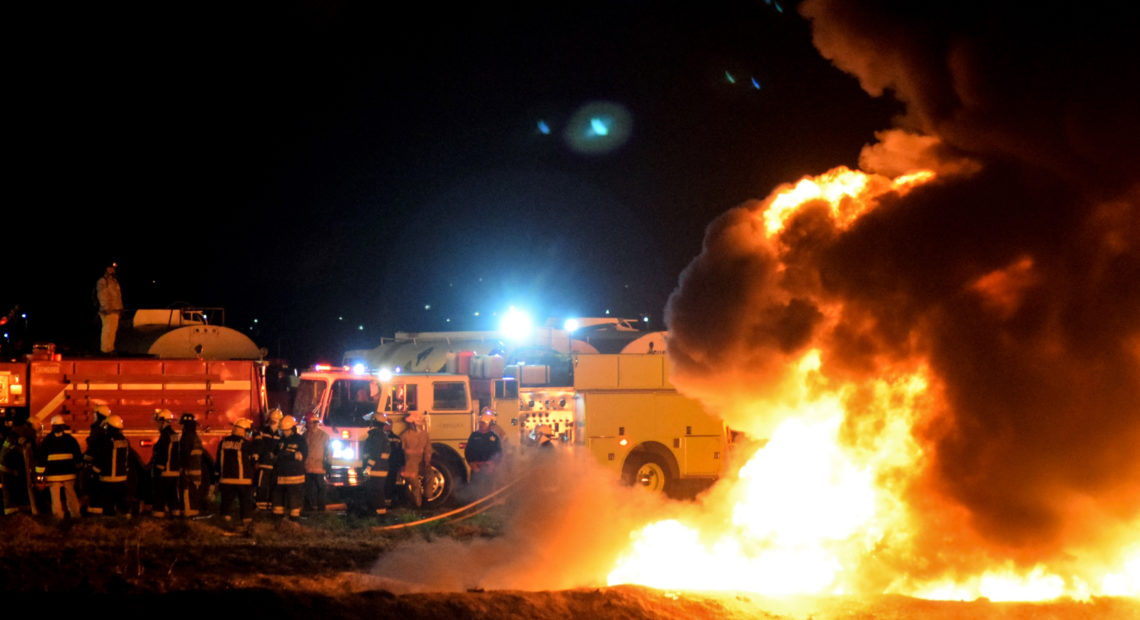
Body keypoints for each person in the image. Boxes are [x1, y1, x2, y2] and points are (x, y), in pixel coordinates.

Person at [35, 416, 83, 520]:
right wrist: (79, 470)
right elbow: (78, 457)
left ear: (52, 426)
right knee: (71, 495)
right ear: (63, 426)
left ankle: (58, 517)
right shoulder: (71, 440)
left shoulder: (47, 441)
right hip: (69, 474)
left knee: (55, 498)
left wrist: (39, 475)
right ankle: (75, 515)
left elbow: (42, 459)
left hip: (53, 475)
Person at [91, 414, 139, 517]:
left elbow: (103, 458)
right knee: (122, 502)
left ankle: (110, 521)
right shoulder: (125, 440)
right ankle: (127, 518)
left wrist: (94, 471)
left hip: (108, 478)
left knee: (108, 503)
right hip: (122, 478)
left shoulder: (106, 440)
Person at [215, 418, 255, 527]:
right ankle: (246, 525)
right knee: (245, 503)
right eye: (247, 431)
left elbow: (218, 459)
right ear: (242, 430)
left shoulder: (223, 442)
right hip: (243, 480)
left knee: (226, 503)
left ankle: (225, 523)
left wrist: (217, 476)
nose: (248, 434)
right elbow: (255, 455)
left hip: (226, 479)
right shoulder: (244, 443)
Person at [0, 410, 38, 515]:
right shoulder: (22, 435)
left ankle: (14, 511)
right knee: (13, 490)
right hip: (11, 467)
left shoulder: (13, 434)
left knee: (10, 490)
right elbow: (28, 454)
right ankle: (16, 512)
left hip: (8, 466)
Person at [271, 415, 307, 521]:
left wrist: (288, 455)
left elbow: (302, 456)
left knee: (294, 500)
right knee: (278, 498)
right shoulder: (281, 440)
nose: (284, 433)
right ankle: (278, 519)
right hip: (281, 475)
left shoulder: (300, 440)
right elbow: (275, 453)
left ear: (292, 429)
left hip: (295, 477)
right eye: (283, 431)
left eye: (286, 430)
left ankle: (294, 520)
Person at [149, 409, 181, 518]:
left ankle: (158, 516)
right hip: (174, 471)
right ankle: (175, 515)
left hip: (165, 472)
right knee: (173, 496)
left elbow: (163, 453)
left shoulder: (165, 436)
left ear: (163, 422)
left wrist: (158, 469)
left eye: (159, 422)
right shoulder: (174, 435)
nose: (158, 425)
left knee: (160, 495)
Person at [464, 409, 502, 496]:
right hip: (476, 468)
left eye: (483, 423)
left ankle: (488, 505)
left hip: (488, 469)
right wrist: (472, 463)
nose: (480, 425)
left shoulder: (494, 437)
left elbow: (499, 453)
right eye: (480, 423)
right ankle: (474, 506)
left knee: (488, 490)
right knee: (475, 490)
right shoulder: (474, 436)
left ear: (489, 424)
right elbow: (468, 451)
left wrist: (493, 464)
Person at [359, 413, 391, 517]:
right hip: (381, 467)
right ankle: (379, 513)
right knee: (378, 491)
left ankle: (378, 515)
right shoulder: (383, 435)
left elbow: (375, 453)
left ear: (374, 422)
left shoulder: (375, 435)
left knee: (375, 491)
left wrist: (368, 466)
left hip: (376, 468)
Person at [82, 404, 111, 515]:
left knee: (94, 487)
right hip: (102, 464)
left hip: (96, 464)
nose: (93, 416)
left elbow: (93, 446)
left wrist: (86, 459)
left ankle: (94, 511)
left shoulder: (97, 429)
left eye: (95, 414)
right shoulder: (105, 428)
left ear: (99, 415)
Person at [399, 411, 432, 508]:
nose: (411, 424)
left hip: (420, 462)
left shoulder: (424, 435)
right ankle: (419, 505)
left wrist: (427, 461)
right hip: (410, 463)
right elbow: (401, 452)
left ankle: (425, 500)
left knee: (430, 477)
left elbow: (428, 449)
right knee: (415, 485)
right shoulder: (405, 436)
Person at [179, 412, 209, 517]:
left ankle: (188, 512)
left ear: (185, 425)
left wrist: (183, 468)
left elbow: (185, 454)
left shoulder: (187, 437)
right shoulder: (195, 437)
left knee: (187, 491)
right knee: (195, 491)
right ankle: (194, 510)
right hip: (196, 469)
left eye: (182, 425)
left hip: (189, 470)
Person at [253, 408, 283, 510]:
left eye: (276, 420)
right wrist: (256, 461)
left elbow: (281, 449)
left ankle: (270, 506)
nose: (274, 422)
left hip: (275, 466)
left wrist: (276, 457)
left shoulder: (281, 434)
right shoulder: (262, 431)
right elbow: (257, 446)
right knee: (262, 486)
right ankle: (261, 507)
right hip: (263, 464)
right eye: (273, 419)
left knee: (273, 487)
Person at [302, 413, 329, 513]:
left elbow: (328, 452)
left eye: (308, 423)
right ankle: (309, 507)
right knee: (308, 488)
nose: (306, 425)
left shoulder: (324, 436)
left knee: (321, 488)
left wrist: (328, 464)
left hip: (319, 467)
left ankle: (321, 508)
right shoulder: (305, 435)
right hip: (307, 467)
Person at [94, 262, 123, 354]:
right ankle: (105, 349)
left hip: (115, 309)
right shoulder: (102, 281)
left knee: (112, 330)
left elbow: (118, 296)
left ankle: (110, 348)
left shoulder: (114, 281)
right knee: (107, 329)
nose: (113, 270)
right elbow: (102, 295)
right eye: (111, 268)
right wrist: (106, 307)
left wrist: (120, 308)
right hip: (108, 310)